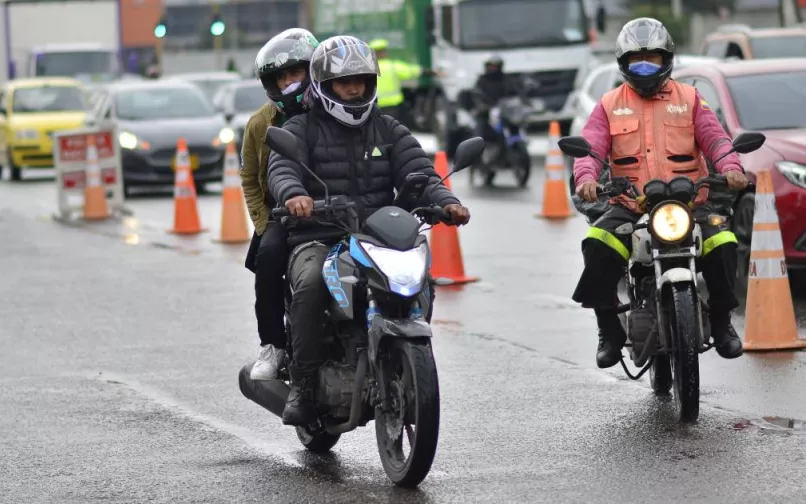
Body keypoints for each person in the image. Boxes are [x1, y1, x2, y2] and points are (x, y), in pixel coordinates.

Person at [268, 35, 471, 426]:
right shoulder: (301, 129)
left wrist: (446, 201)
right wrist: (294, 195)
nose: (355, 89)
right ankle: (305, 385)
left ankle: (398, 355)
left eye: (361, 80)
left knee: (419, 278)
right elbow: (282, 168)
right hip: (318, 235)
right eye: (345, 83)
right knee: (310, 283)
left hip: (379, 236)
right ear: (324, 86)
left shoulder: (388, 129)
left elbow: (420, 172)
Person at [571, 17, 748, 369]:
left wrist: (731, 169)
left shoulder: (690, 98)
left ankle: (721, 320)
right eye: (636, 60)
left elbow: (716, 140)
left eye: (651, 58)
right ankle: (608, 327)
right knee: (596, 244)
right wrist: (587, 178)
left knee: (723, 242)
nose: (644, 66)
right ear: (623, 63)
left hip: (688, 203)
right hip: (630, 205)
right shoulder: (608, 104)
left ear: (666, 59)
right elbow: (590, 149)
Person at [241, 28, 320, 382]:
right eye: (281, 77)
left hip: (334, 211)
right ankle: (273, 345)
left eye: (296, 73)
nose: (289, 82)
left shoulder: (336, 109)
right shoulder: (260, 123)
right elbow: (250, 178)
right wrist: (264, 224)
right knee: (268, 259)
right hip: (281, 216)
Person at [368, 38, 440, 127]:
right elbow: (414, 71)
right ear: (384, 52)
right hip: (394, 107)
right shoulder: (393, 66)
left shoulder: (368, 69)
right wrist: (433, 72)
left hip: (376, 108)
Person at [470, 55, 519, 155]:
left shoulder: (506, 79)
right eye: (491, 66)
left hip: (503, 109)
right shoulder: (482, 80)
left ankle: (514, 144)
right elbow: (476, 94)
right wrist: (482, 104)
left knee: (514, 124)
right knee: (480, 130)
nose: (493, 69)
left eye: (495, 66)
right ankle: (480, 153)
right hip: (486, 111)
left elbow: (514, 91)